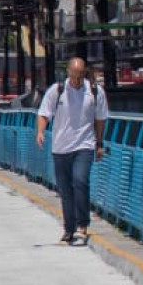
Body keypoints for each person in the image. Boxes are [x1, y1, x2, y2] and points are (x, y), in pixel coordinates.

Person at [35, 57, 108, 246]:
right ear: (68, 71)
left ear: (84, 73)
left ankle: (82, 224)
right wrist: (40, 132)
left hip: (84, 145)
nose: (76, 79)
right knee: (65, 191)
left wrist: (99, 144)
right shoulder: (57, 91)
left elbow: (100, 119)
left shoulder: (95, 92)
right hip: (60, 148)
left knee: (80, 180)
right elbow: (44, 113)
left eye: (79, 76)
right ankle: (69, 228)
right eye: (73, 75)